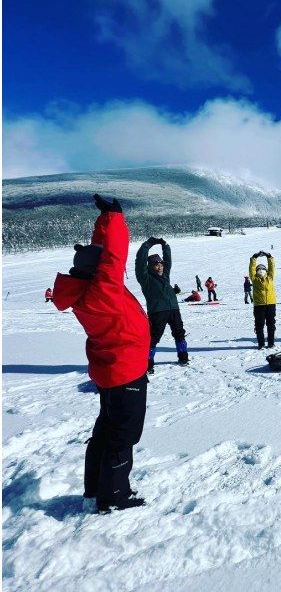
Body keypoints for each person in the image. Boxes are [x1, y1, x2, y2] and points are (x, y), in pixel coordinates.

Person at [52, 194, 148, 513]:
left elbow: (100, 256)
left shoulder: (86, 290)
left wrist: (105, 219)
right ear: (99, 274)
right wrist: (116, 217)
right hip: (125, 372)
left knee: (106, 430)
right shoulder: (103, 292)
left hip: (111, 371)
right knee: (123, 435)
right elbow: (113, 256)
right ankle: (114, 496)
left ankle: (95, 488)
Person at [136, 236, 190, 373]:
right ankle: (147, 365)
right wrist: (148, 244)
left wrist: (165, 245)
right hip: (158, 311)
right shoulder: (145, 278)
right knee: (153, 338)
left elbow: (168, 261)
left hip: (174, 309)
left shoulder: (165, 276)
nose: (160, 267)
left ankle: (183, 357)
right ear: (150, 266)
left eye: (161, 264)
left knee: (179, 333)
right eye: (156, 265)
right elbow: (140, 262)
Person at [250, 251, 276, 349]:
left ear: (265, 270)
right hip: (259, 306)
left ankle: (271, 343)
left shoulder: (270, 277)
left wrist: (269, 257)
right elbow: (251, 268)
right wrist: (254, 257)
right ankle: (261, 344)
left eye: (262, 268)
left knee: (271, 325)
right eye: (259, 269)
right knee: (259, 326)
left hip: (271, 304)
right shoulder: (254, 279)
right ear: (256, 271)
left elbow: (272, 267)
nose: (261, 270)